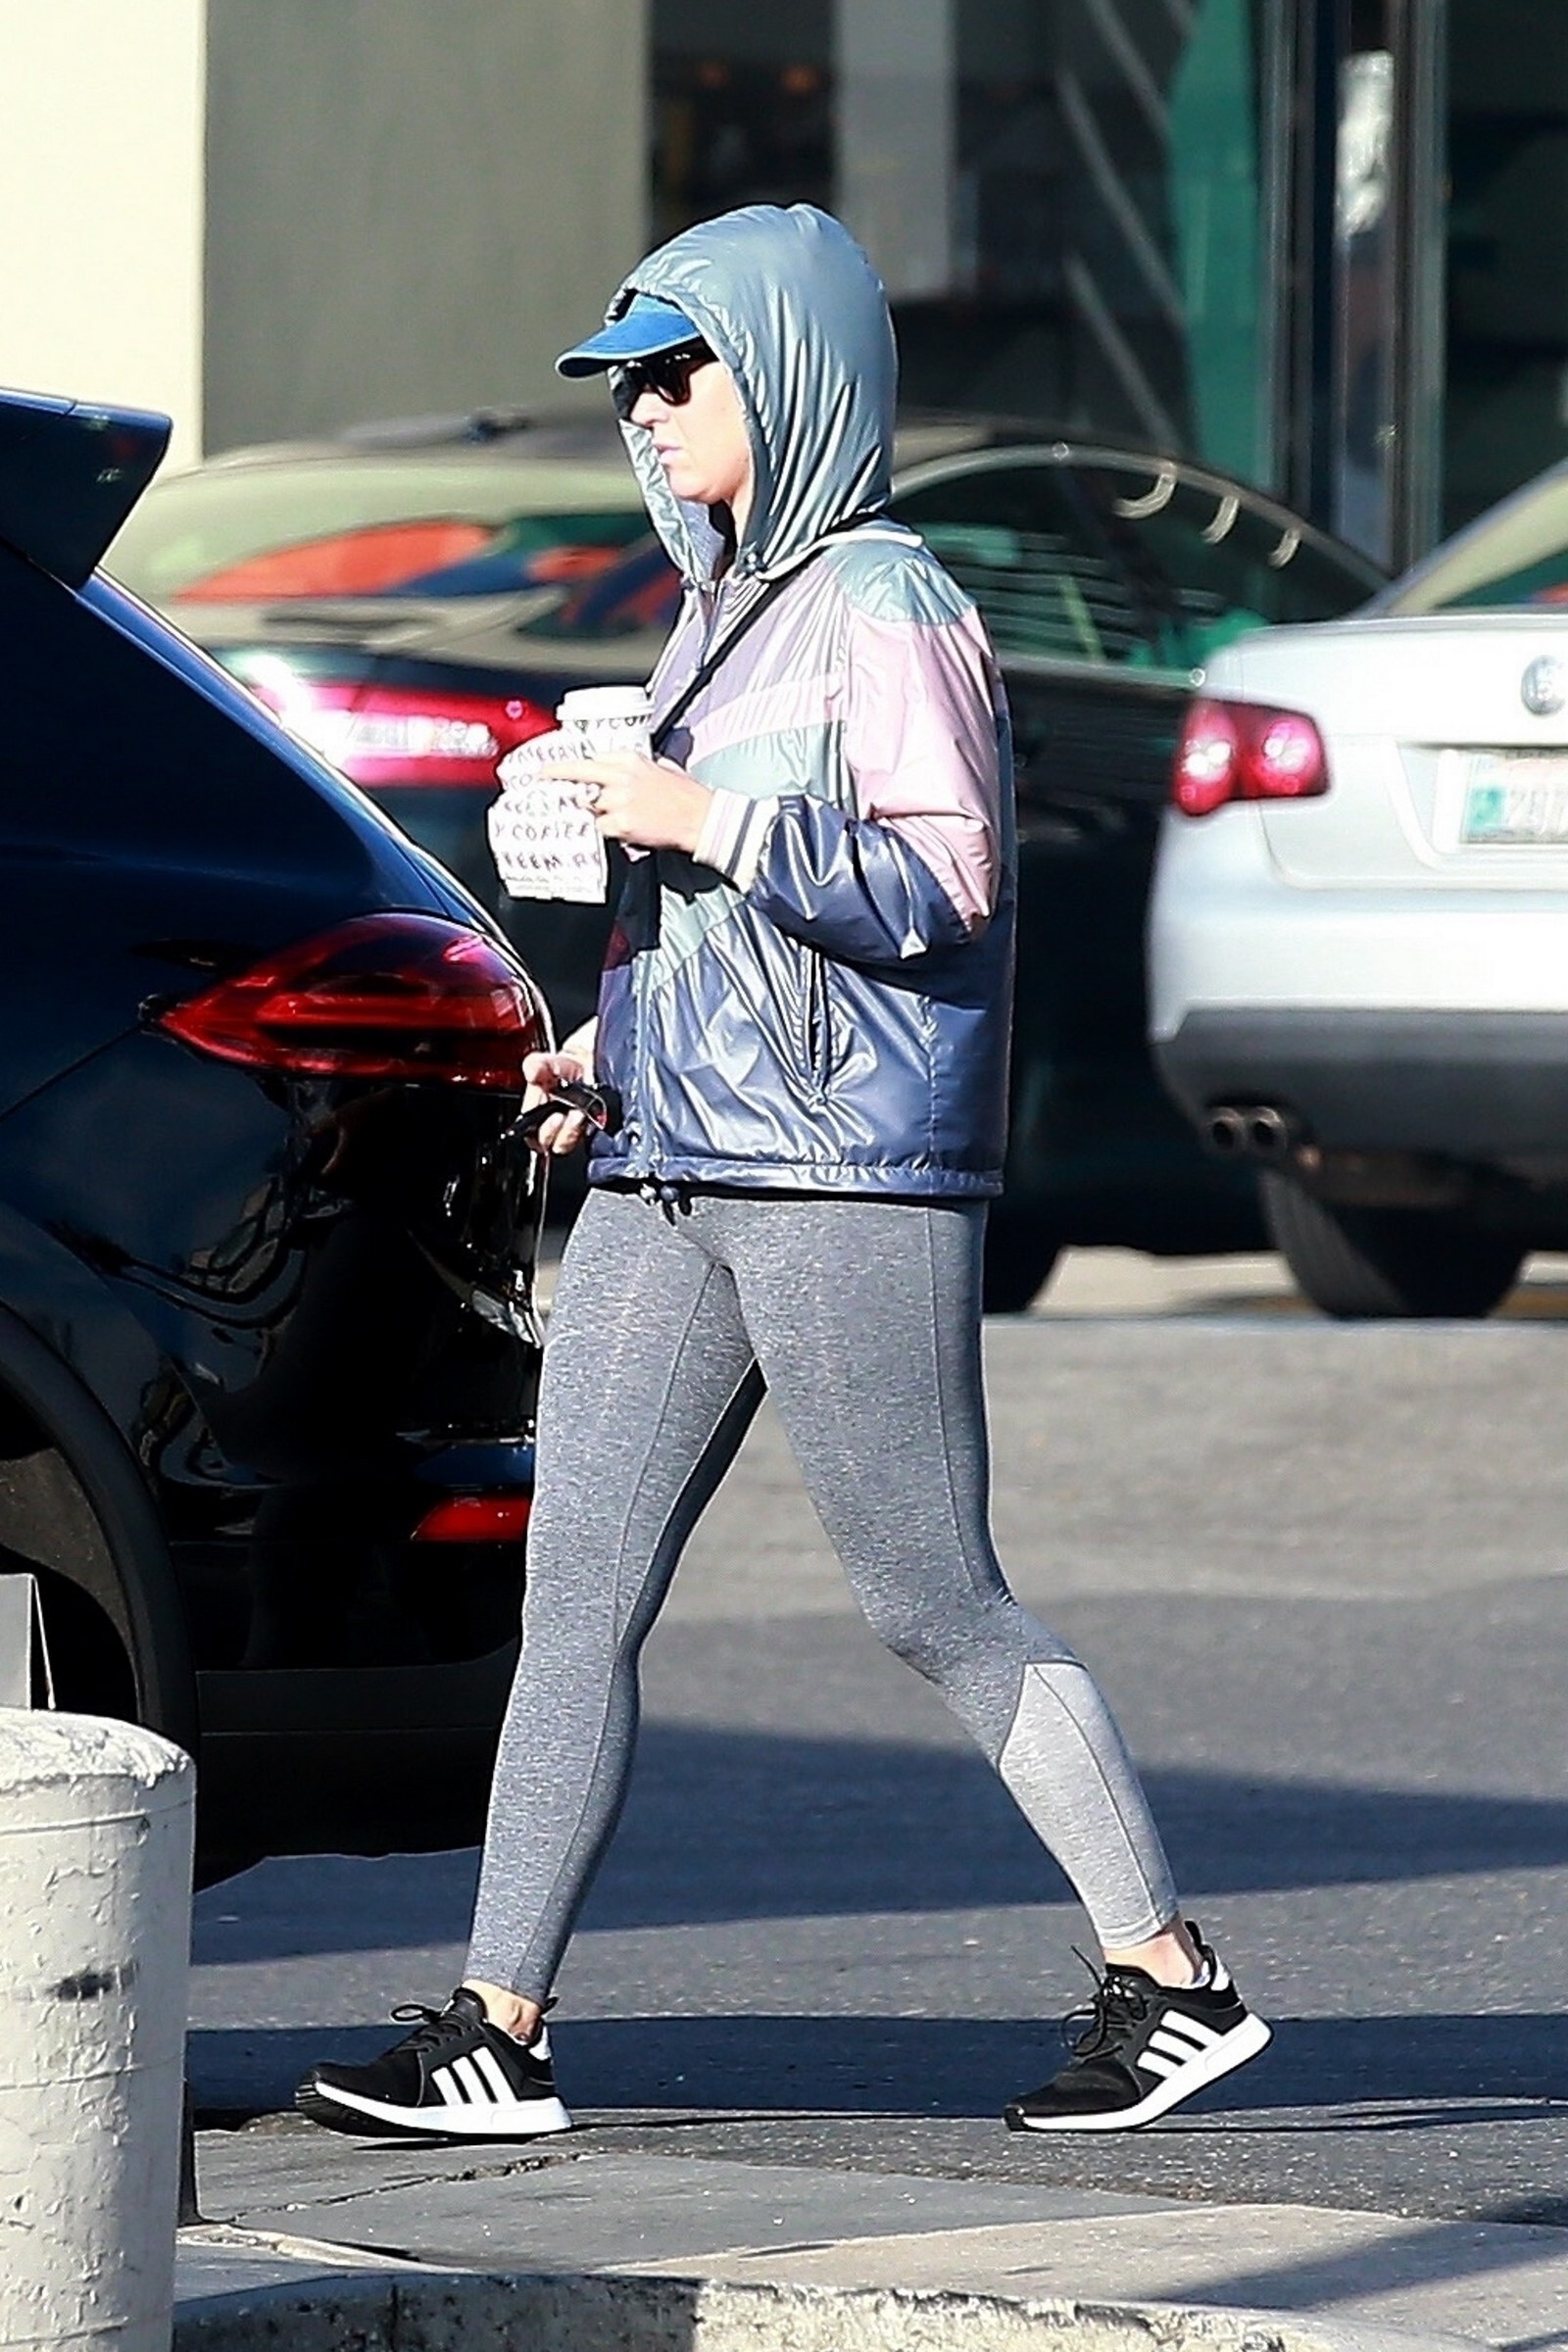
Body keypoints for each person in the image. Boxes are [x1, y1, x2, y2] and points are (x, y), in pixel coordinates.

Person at [296, 204, 1270, 2143]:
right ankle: (498, 2028)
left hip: (844, 1177)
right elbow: (721, 935)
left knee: (933, 1597)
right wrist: (609, 1056)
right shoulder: (716, 610)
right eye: (628, 386)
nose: (646, 413)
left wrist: (702, 813)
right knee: (573, 1597)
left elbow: (944, 884)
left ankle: (1172, 1980)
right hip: (673, 1163)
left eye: (680, 374)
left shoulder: (890, 602)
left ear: (793, 373)